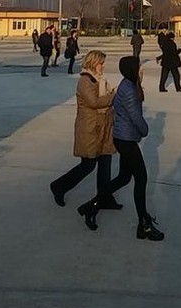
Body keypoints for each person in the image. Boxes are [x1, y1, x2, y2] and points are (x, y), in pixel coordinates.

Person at [78, 56, 164, 241]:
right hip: (126, 140)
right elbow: (135, 117)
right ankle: (144, 224)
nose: (142, 69)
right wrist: (146, 129)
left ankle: (91, 205)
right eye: (139, 66)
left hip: (123, 137)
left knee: (124, 178)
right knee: (141, 179)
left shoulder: (127, 84)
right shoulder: (130, 90)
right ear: (133, 69)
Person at [49, 50, 121, 210]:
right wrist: (114, 96)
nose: (103, 66)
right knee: (88, 164)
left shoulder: (99, 79)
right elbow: (93, 102)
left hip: (103, 126)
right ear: (93, 63)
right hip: (90, 128)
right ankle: (59, 186)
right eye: (101, 63)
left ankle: (105, 198)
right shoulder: (85, 80)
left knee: (105, 163)